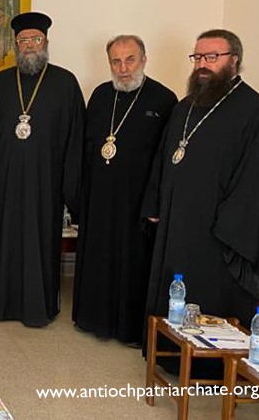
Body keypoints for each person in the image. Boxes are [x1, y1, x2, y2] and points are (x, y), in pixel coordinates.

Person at [143, 29, 259, 329]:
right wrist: (154, 203)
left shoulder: (255, 112)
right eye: (198, 57)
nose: (202, 64)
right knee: (173, 288)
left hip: (218, 230)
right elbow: (165, 157)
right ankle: (170, 351)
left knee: (207, 296)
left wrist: (227, 224)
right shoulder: (185, 106)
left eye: (212, 57)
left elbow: (255, 180)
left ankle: (206, 365)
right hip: (177, 222)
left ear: (234, 61)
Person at [0, 12, 84, 327]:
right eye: (23, 40)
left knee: (40, 244)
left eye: (35, 39)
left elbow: (75, 139)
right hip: (3, 184)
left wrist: (71, 189)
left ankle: (38, 307)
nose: (29, 46)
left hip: (45, 184)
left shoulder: (65, 83)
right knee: (2, 241)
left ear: (46, 43)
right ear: (15, 45)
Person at [71, 35, 177, 345]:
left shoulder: (163, 99)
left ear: (144, 60)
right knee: (98, 258)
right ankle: (94, 319)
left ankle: (129, 329)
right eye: (116, 62)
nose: (123, 68)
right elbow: (88, 147)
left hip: (138, 201)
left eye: (130, 60)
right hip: (100, 198)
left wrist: (156, 203)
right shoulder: (102, 95)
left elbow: (165, 158)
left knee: (133, 263)